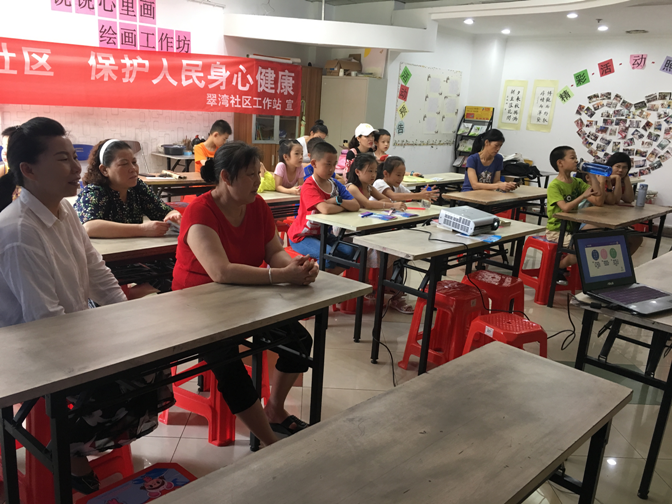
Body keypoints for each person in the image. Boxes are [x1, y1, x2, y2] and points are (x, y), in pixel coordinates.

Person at [0, 117, 172, 494]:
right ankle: (65, 448)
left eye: (72, 157)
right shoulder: (19, 231)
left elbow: (98, 272)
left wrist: (125, 320)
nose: (77, 168)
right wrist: (105, 347)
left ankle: (74, 443)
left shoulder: (64, 212)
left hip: (70, 333)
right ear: (28, 170)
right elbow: (45, 322)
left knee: (154, 362)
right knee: (124, 382)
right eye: (62, 159)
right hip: (28, 352)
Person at [171, 141, 318, 446]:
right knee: (229, 364)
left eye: (258, 173)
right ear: (226, 177)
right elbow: (221, 272)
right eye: (250, 175)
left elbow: (274, 251)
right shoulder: (200, 212)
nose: (258, 181)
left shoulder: (257, 205)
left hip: (245, 298)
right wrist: (282, 276)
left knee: (299, 341)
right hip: (197, 307)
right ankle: (269, 441)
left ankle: (274, 409)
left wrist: (296, 268)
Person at [346, 153, 414, 314]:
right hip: (350, 231)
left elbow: (386, 200)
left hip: (365, 229)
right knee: (378, 248)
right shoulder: (352, 187)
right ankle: (368, 287)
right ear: (358, 172)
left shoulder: (369, 187)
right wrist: (390, 205)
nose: (373, 175)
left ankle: (385, 286)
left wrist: (390, 204)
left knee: (390, 247)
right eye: (369, 171)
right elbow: (368, 204)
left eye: (375, 171)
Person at [75, 139, 182, 237]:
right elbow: (90, 227)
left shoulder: (137, 187)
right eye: (124, 164)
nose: (133, 168)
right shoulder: (95, 191)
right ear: (104, 170)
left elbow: (162, 211)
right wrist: (142, 229)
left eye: (134, 162)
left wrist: (174, 216)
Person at [288, 141, 360, 275]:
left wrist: (337, 201)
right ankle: (309, 279)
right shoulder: (309, 185)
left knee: (351, 252)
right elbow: (325, 209)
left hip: (323, 235)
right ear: (314, 163)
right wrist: (343, 205)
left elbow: (355, 205)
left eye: (334, 164)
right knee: (327, 256)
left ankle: (325, 280)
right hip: (301, 237)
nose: (332, 169)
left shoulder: (335, 184)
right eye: (328, 164)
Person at [546, 146, 604, 270]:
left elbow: (598, 197)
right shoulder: (554, 186)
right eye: (572, 158)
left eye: (576, 158)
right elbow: (565, 208)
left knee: (598, 235)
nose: (576, 161)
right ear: (560, 163)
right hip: (556, 231)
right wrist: (583, 196)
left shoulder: (577, 182)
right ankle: (558, 268)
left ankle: (564, 267)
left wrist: (591, 174)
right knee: (583, 247)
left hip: (573, 229)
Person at [604, 152, 643, 254]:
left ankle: (624, 261)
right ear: (610, 166)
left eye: (625, 167)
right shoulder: (604, 179)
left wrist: (626, 178)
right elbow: (616, 200)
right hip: (601, 219)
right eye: (618, 166)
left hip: (613, 219)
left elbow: (629, 199)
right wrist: (617, 179)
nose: (621, 170)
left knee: (637, 238)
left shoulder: (622, 179)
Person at [374, 156, 439, 203]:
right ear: (386, 173)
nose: (401, 179)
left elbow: (411, 195)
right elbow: (393, 196)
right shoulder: (379, 183)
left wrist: (424, 194)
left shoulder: (398, 186)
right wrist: (419, 195)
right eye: (398, 175)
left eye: (403, 175)